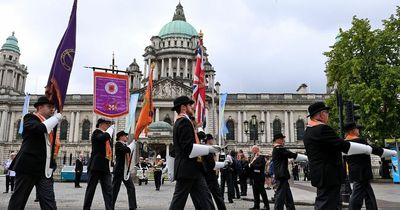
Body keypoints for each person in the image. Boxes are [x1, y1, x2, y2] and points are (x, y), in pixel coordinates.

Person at [303, 102, 387, 210]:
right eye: (326, 112)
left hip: (320, 175)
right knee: (326, 205)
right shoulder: (322, 129)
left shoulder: (308, 132)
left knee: (332, 204)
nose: (328, 114)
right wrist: (370, 149)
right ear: (320, 115)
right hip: (329, 175)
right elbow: (343, 145)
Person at [8, 96, 62, 210]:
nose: (52, 109)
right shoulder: (30, 118)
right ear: (40, 107)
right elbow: (38, 129)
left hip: (44, 170)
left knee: (49, 203)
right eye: (49, 107)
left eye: (53, 107)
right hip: (28, 168)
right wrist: (55, 118)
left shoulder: (51, 125)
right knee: (18, 201)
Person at [168, 95, 219, 210]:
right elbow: (188, 148)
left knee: (205, 200)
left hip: (193, 168)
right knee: (179, 202)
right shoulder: (184, 122)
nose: (192, 107)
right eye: (190, 105)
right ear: (183, 107)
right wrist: (209, 149)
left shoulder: (182, 122)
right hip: (187, 169)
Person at [343, 122, 397, 210]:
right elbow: (373, 149)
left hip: (354, 172)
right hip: (363, 172)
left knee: (368, 193)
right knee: (356, 195)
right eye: (357, 129)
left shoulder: (345, 143)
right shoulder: (360, 141)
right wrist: (391, 152)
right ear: (352, 131)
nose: (358, 130)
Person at [83, 118, 114, 210]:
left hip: (105, 167)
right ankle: (86, 208)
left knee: (108, 190)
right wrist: (110, 130)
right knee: (91, 190)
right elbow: (103, 137)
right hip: (95, 166)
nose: (108, 126)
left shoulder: (106, 136)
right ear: (101, 124)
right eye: (107, 124)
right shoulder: (96, 133)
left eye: (109, 124)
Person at [272, 133, 308, 210]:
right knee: (280, 194)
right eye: (282, 139)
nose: (283, 140)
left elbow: (285, 158)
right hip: (281, 174)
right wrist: (306, 158)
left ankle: (291, 208)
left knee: (287, 194)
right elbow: (290, 154)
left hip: (282, 174)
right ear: (277, 140)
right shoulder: (279, 148)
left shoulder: (278, 149)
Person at [112, 131, 137, 210]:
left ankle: (132, 207)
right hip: (119, 171)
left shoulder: (124, 145)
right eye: (125, 136)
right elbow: (127, 150)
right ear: (120, 137)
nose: (127, 137)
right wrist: (133, 144)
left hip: (126, 171)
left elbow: (128, 150)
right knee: (115, 189)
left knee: (131, 188)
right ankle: (110, 206)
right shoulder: (118, 144)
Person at [202, 134, 228, 210]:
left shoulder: (205, 148)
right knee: (217, 195)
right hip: (211, 175)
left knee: (208, 195)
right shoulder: (209, 149)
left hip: (207, 174)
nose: (213, 141)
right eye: (212, 139)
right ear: (209, 140)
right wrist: (219, 164)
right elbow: (211, 163)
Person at [249, 145, 270, 210]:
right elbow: (250, 165)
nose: (252, 150)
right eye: (252, 149)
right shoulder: (252, 157)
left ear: (257, 150)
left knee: (262, 192)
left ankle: (266, 206)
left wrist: (252, 165)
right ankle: (256, 205)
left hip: (259, 177)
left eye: (253, 149)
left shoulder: (261, 157)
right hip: (254, 177)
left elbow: (260, 166)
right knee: (255, 192)